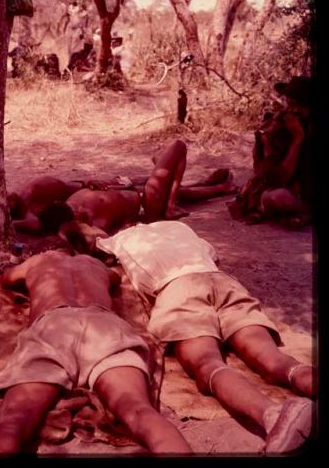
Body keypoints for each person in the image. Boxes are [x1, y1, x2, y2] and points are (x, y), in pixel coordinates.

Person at [60, 220, 316, 453]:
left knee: (208, 366)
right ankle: (302, 380)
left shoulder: (119, 240)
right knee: (272, 359)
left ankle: (272, 415)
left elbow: (88, 244)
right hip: (223, 281)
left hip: (178, 289)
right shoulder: (179, 227)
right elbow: (213, 257)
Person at [0, 249, 192, 454]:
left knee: (13, 422)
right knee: (140, 411)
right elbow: (115, 280)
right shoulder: (93, 264)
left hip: (53, 324)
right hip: (104, 325)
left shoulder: (39, 261)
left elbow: (5, 280)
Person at [38, 140, 238, 235]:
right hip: (146, 202)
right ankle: (169, 206)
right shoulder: (92, 225)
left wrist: (92, 182)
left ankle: (220, 189)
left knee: (173, 181)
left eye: (73, 208)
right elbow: (113, 236)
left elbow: (28, 221)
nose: (77, 209)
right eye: (75, 213)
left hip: (128, 186)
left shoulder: (68, 202)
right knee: (178, 147)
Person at [228, 76, 313, 228]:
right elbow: (276, 180)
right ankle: (303, 212)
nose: (293, 110)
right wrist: (297, 140)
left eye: (300, 106)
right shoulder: (274, 128)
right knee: (278, 198)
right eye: (290, 104)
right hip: (282, 189)